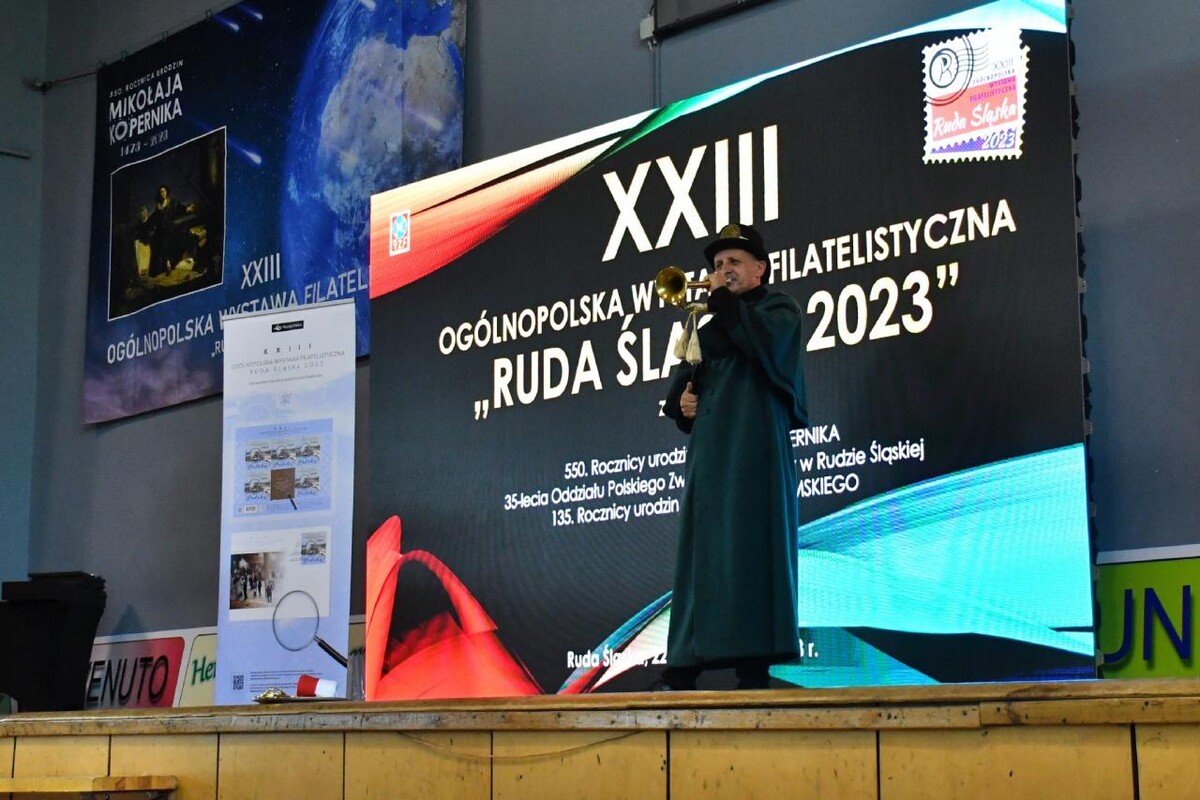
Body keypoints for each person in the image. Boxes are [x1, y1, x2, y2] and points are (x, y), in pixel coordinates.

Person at [659, 223, 808, 690]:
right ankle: (685, 662)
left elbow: (763, 347)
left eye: (733, 263)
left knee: (753, 549)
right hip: (711, 457)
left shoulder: (779, 309)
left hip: (755, 452)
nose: (723, 270)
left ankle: (754, 665)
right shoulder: (706, 325)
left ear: (759, 268)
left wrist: (722, 301)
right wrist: (682, 403)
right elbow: (683, 385)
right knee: (702, 554)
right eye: (718, 264)